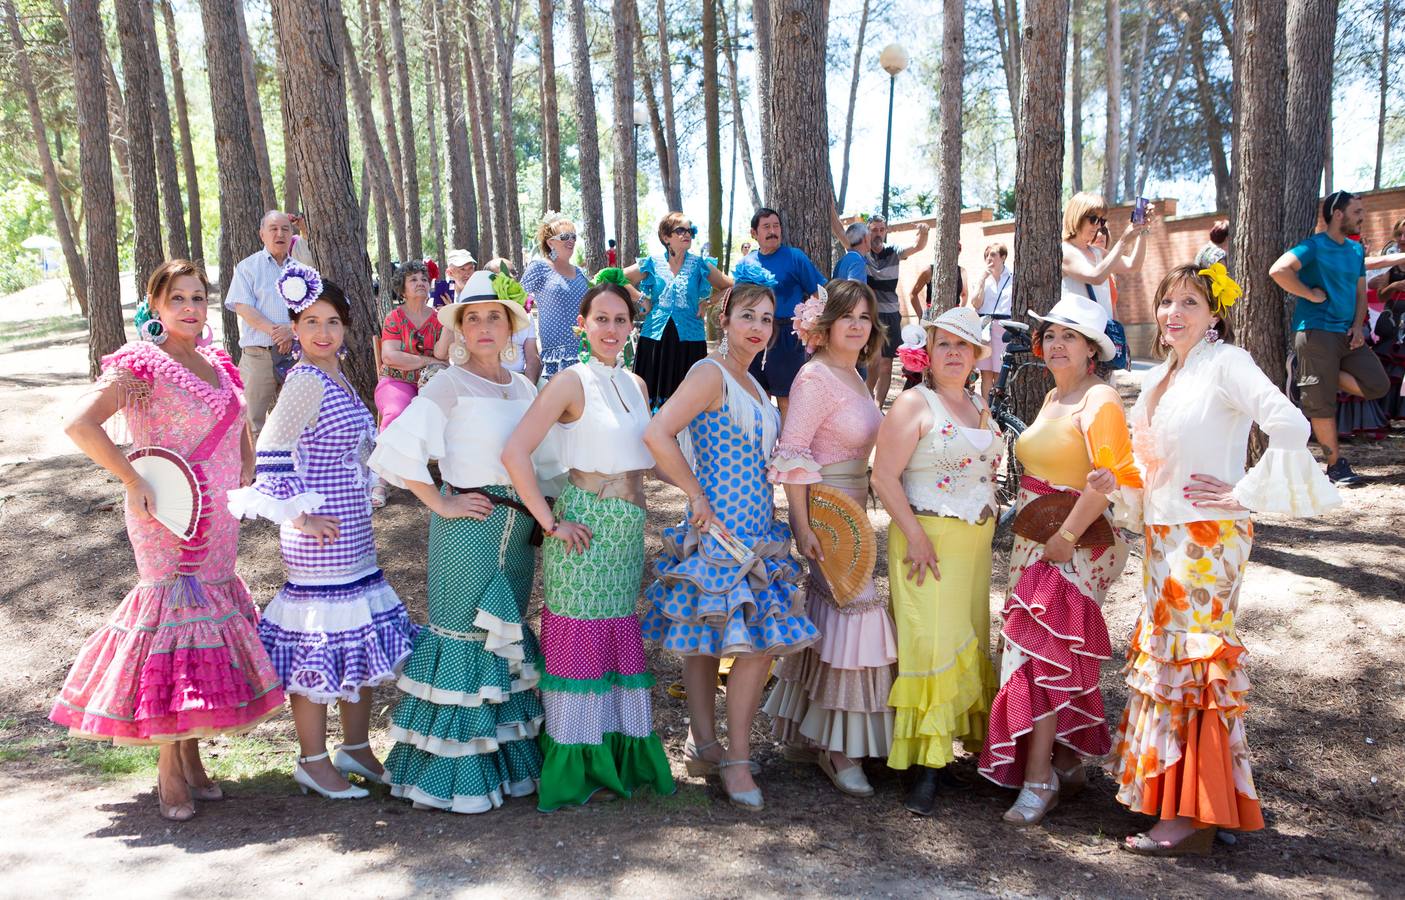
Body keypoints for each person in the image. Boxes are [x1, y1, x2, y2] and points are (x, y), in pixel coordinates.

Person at [1110, 264, 1341, 855]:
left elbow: (1289, 424)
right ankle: (1181, 801)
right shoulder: (1163, 373)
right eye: (1167, 302)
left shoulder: (1227, 363)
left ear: (1214, 315)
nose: (1174, 313)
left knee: (1197, 662)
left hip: (1209, 536)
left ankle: (1193, 815)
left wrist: (1245, 492)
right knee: (1171, 658)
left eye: (1190, 302)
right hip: (1164, 538)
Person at [51, 260, 285, 822]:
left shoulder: (216, 360)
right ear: (155, 305)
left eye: (198, 298)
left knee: (208, 615)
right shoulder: (141, 365)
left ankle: (194, 759)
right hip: (166, 514)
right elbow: (79, 424)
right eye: (177, 298)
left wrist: (247, 469)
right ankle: (167, 771)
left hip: (219, 512)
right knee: (172, 623)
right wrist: (132, 480)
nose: (189, 307)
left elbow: (239, 424)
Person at [228, 264, 417, 801]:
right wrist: (298, 516)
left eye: (333, 321)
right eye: (311, 321)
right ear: (295, 325)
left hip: (353, 533)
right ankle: (312, 760)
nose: (324, 332)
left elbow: (355, 448)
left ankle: (355, 748)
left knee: (354, 639)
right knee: (320, 642)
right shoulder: (305, 380)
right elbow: (270, 452)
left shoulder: (335, 376)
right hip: (319, 538)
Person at [367, 270, 549, 814]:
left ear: (511, 325)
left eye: (495, 316)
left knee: (504, 643)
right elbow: (395, 450)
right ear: (462, 330)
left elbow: (544, 461)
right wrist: (442, 501)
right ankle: (450, 776)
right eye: (474, 318)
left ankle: (504, 767)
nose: (485, 326)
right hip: (467, 529)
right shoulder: (447, 383)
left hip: (517, 534)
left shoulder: (524, 387)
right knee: (465, 638)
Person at [640, 267, 821, 811]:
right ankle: (730, 755)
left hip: (756, 530)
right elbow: (657, 432)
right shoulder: (710, 373)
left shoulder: (755, 385)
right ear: (724, 318)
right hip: (718, 531)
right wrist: (694, 495)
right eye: (748, 315)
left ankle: (710, 747)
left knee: (728, 640)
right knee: (742, 644)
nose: (759, 326)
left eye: (767, 318)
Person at [501, 283, 675, 811]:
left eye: (621, 319)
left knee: (616, 642)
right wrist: (549, 521)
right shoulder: (569, 381)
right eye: (601, 318)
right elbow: (515, 452)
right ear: (582, 323)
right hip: (584, 526)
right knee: (579, 645)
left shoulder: (636, 382)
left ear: (630, 326)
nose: (611, 329)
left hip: (626, 529)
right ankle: (578, 768)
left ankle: (619, 759)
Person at [978, 291, 1133, 826]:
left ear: (1092, 349)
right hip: (1035, 537)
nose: (1057, 343)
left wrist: (1065, 535)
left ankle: (1039, 779)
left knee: (1040, 656)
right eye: (1051, 335)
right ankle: (1064, 761)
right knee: (1033, 651)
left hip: (1075, 542)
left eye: (1070, 335)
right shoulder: (1052, 398)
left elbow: (1108, 481)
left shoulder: (1101, 401)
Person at [763, 280, 894, 798]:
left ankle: (812, 735)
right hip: (826, 512)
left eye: (865, 317)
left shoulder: (856, 376)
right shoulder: (815, 376)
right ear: (826, 325)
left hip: (854, 509)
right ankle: (839, 750)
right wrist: (802, 525)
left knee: (833, 615)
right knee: (853, 613)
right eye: (848, 317)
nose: (858, 325)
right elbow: (793, 450)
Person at [871, 305, 1002, 817]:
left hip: (973, 546)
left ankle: (949, 746)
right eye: (944, 343)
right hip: (926, 541)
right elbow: (883, 477)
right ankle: (923, 765)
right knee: (929, 643)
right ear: (930, 352)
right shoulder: (913, 403)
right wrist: (916, 537)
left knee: (964, 637)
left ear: (975, 356)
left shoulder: (977, 403)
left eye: (963, 346)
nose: (953, 353)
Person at [1271, 190, 1391, 486]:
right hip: (1315, 331)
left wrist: (1358, 326)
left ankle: (1305, 371)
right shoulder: (1314, 246)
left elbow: (1360, 292)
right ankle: (1336, 465)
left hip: (1347, 334)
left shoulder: (1355, 250)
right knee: (1321, 403)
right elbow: (1278, 270)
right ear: (1338, 215)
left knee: (1377, 385)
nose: (1362, 218)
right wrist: (1309, 293)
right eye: (1357, 212)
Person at [623, 212, 734, 409]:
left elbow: (730, 286)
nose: (687, 234)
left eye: (690, 230)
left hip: (689, 344)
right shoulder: (652, 263)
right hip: (654, 342)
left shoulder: (701, 264)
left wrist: (707, 301)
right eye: (680, 230)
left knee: (687, 404)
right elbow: (616, 278)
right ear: (666, 237)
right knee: (650, 403)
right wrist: (640, 298)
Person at [741, 208, 826, 416]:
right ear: (754, 233)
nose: (773, 231)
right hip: (754, 335)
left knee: (787, 399)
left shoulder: (795, 257)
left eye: (776, 226)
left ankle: (787, 449)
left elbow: (820, 292)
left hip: (788, 336)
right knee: (755, 397)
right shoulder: (746, 264)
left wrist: (808, 319)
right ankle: (760, 447)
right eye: (766, 227)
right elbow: (738, 300)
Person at [1061, 192, 1155, 368]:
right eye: (1093, 219)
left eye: (1102, 221)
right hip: (1077, 338)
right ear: (1077, 216)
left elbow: (1133, 265)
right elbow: (1095, 277)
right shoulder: (1065, 251)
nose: (1098, 226)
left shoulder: (1097, 252)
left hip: (1099, 337)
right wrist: (1123, 241)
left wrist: (1142, 231)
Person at [225, 210, 297, 437]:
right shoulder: (247, 268)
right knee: (251, 422)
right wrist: (277, 332)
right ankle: (253, 473)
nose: (280, 234)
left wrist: (291, 331)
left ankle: (290, 471)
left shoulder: (301, 270)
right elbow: (244, 308)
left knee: (294, 419)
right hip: (259, 356)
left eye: (285, 229)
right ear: (262, 234)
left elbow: (310, 312)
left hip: (296, 355)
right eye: (273, 229)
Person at [521, 213, 592, 381]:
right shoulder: (539, 268)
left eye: (573, 236)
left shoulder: (581, 273)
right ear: (550, 242)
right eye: (565, 236)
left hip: (585, 352)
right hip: (556, 357)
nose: (571, 240)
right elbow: (517, 299)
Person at [968, 241, 1015, 401]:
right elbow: (975, 303)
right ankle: (987, 410)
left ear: (1003, 257)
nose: (989, 258)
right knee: (986, 373)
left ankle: (999, 412)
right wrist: (982, 279)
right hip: (986, 329)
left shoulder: (1012, 278)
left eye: (993, 254)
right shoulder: (982, 280)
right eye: (987, 255)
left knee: (1000, 373)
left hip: (1004, 330)